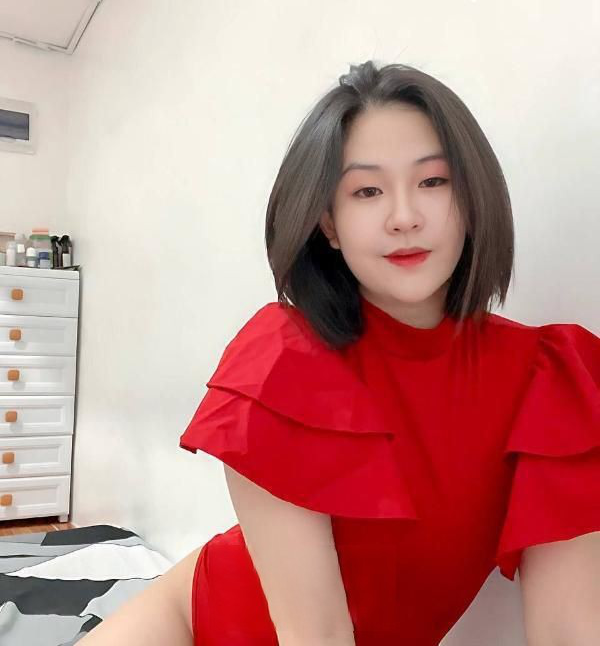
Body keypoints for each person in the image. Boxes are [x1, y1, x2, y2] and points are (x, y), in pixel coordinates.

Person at [80, 61, 600, 645]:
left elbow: (570, 630)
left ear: (472, 200)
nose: (404, 217)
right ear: (329, 223)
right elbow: (317, 634)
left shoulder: (553, 380)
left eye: (433, 181)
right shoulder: (281, 361)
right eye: (367, 191)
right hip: (194, 622)